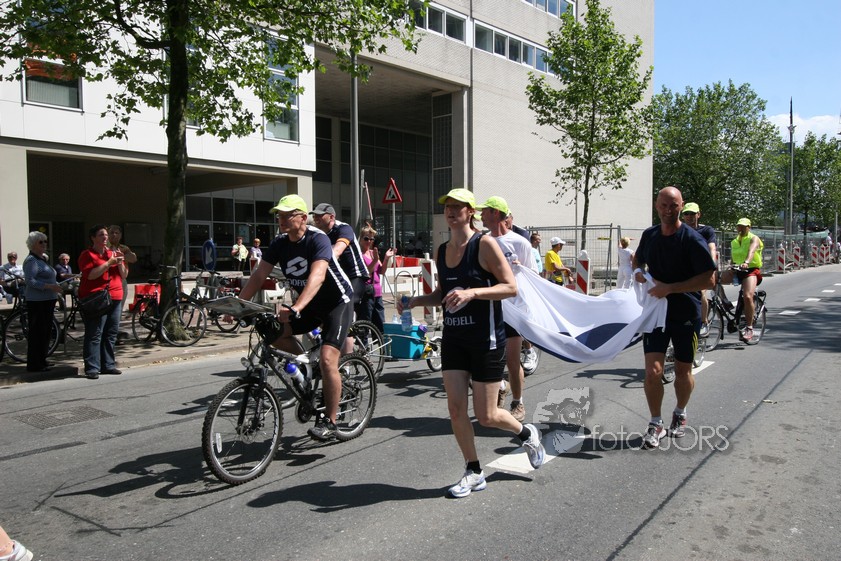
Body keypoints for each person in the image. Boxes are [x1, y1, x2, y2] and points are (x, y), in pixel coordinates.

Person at [399, 188, 545, 498]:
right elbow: (443, 294)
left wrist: (473, 293)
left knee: (487, 416)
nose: (451, 212)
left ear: (470, 212)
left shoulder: (484, 244)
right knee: (455, 410)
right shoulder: (442, 250)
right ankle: (474, 471)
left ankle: (526, 432)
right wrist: (415, 301)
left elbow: (510, 287)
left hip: (485, 339)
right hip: (454, 339)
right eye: (447, 207)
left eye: (458, 207)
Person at [239, 195, 354, 441]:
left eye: (286, 215)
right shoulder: (280, 243)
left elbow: (318, 276)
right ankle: (305, 368)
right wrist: (239, 306)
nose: (280, 219)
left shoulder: (317, 239)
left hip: (336, 304)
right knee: (273, 332)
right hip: (308, 305)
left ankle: (331, 421)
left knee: (327, 359)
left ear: (302, 217)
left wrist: (296, 307)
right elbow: (259, 275)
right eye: (278, 215)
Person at [633, 187, 716, 449]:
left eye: (674, 206)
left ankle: (680, 412)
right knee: (652, 372)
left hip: (685, 313)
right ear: (656, 206)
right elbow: (637, 260)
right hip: (656, 312)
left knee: (682, 371)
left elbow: (710, 280)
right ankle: (655, 422)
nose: (668, 211)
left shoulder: (692, 239)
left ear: (681, 206)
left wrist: (669, 288)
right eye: (664, 205)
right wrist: (638, 272)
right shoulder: (650, 235)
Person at [477, 195, 538, 422]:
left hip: (513, 309)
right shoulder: (482, 242)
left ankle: (517, 402)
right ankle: (501, 386)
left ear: (496, 213)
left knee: (512, 360)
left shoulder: (520, 243)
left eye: (484, 211)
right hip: (489, 309)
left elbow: (534, 277)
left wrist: (522, 269)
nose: (480, 215)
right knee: (484, 359)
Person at [310, 203, 369, 352]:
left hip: (355, 276)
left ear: (331, 217)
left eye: (319, 215)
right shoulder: (318, 234)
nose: (316, 218)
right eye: (314, 215)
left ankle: (347, 361)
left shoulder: (343, 229)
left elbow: (337, 251)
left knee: (344, 309)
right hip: (338, 278)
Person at [78, 224, 127, 379]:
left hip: (116, 296)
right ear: (93, 238)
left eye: (106, 235)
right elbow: (91, 275)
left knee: (111, 333)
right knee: (95, 333)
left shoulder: (112, 253)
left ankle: (108, 365)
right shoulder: (87, 255)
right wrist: (108, 264)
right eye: (101, 235)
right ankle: (92, 367)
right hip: (97, 298)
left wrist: (120, 262)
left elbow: (124, 275)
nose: (105, 237)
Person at [22, 232, 63, 372]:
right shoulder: (31, 261)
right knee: (37, 332)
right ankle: (34, 363)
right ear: (33, 244)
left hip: (48, 300)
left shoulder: (42, 259)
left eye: (45, 241)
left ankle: (42, 359)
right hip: (37, 301)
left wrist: (55, 286)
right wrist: (50, 287)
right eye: (41, 242)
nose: (44, 244)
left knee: (45, 331)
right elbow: (30, 281)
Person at [720, 218, 763, 342]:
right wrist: (731, 266)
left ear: (749, 227)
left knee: (748, 296)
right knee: (713, 279)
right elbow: (734, 257)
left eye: (744, 226)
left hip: (750, 270)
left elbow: (752, 251)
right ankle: (725, 301)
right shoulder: (734, 241)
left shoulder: (754, 238)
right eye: (739, 226)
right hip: (737, 270)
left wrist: (747, 262)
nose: (741, 228)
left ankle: (749, 328)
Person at [357, 226, 394, 333]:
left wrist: (386, 258)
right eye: (366, 238)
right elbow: (366, 273)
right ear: (360, 239)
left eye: (371, 239)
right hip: (366, 293)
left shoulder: (373, 253)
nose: (369, 241)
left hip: (377, 293)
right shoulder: (359, 255)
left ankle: (380, 342)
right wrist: (375, 260)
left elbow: (381, 271)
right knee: (365, 324)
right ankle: (362, 342)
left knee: (380, 325)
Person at [107, 225, 137, 313]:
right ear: (108, 235)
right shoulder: (104, 247)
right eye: (112, 233)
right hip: (107, 279)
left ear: (120, 235)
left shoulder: (124, 248)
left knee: (118, 310)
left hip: (121, 278)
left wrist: (121, 257)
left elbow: (133, 258)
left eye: (117, 233)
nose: (114, 235)